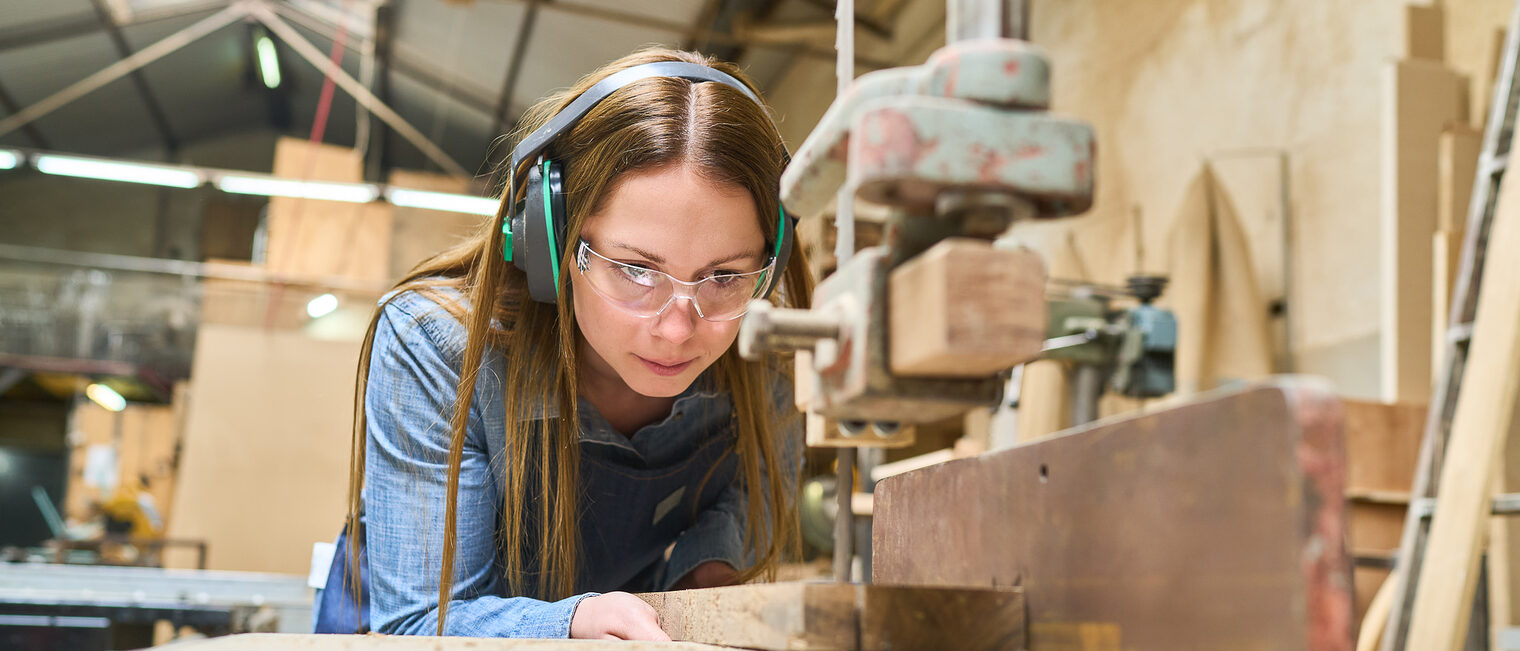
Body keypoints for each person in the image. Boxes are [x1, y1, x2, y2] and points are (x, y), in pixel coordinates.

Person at [311, 47, 812, 640]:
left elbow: (733, 527)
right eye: (635, 269)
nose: (678, 329)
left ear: (769, 265)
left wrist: (706, 576)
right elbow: (421, 621)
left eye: (724, 276)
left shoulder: (767, 355)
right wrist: (573, 621)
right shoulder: (437, 344)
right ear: (550, 246)